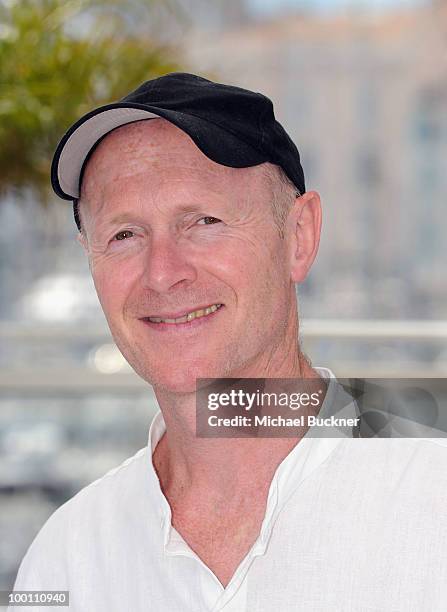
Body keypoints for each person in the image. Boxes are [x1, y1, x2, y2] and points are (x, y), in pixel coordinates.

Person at [9, 72, 447, 611]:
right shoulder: (68, 557)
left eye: (203, 222)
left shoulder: (432, 492)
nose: (163, 274)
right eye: (124, 234)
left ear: (299, 237)